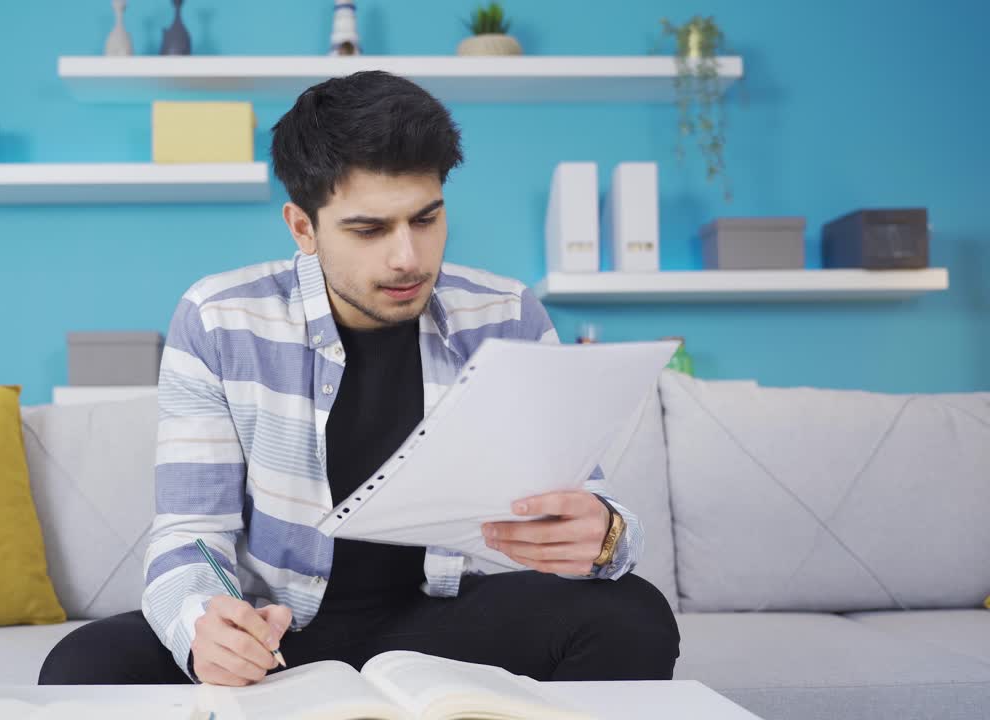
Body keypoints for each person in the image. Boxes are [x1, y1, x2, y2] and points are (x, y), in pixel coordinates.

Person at [39, 70, 679, 687]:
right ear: (303, 227)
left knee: (633, 616)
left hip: (448, 619)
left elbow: (589, 503)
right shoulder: (219, 319)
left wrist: (606, 536)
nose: (408, 258)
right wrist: (204, 626)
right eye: (369, 229)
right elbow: (190, 532)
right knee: (84, 665)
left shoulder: (507, 314)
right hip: (281, 628)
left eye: (425, 219)